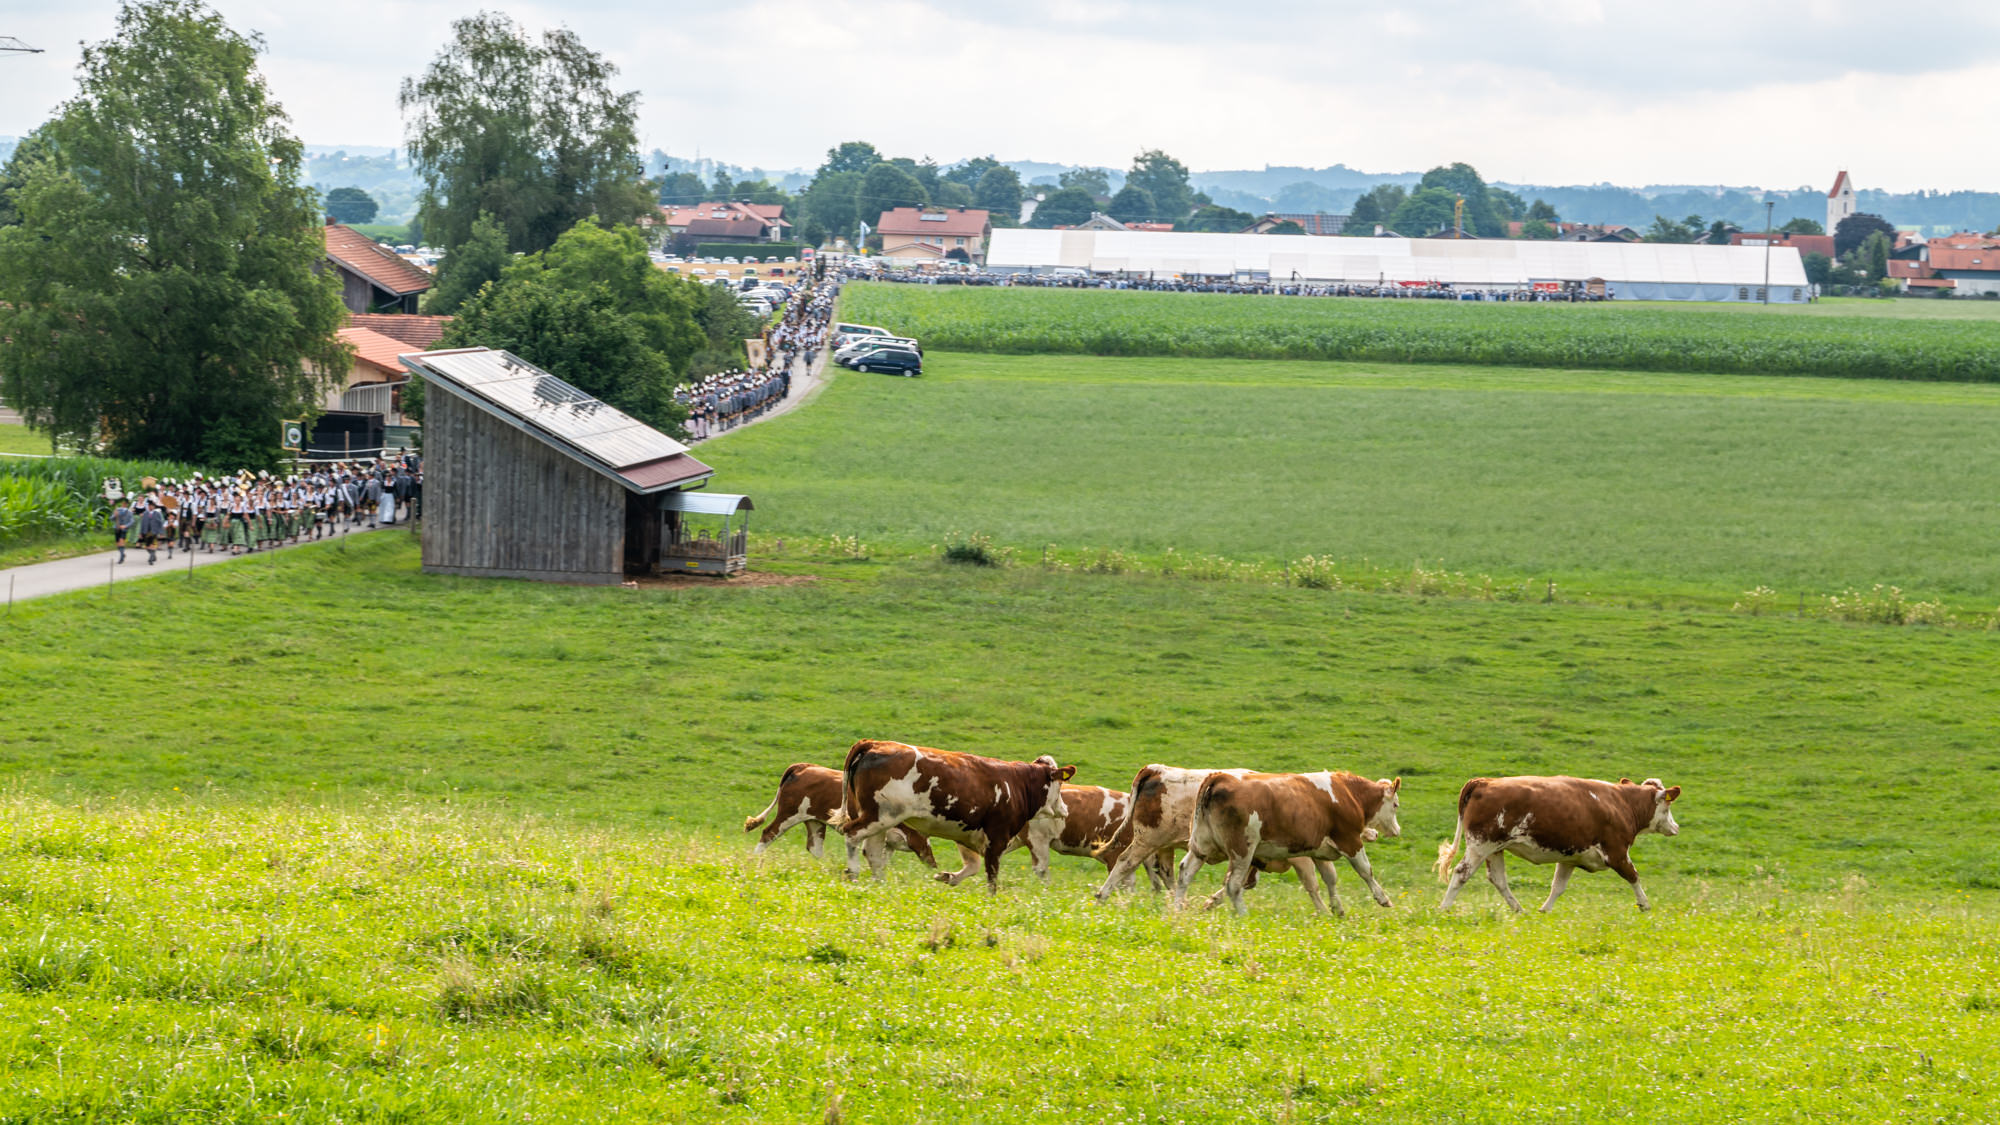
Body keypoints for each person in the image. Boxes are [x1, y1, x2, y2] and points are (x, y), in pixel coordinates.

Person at [137, 499, 166, 565]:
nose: (151, 507)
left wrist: (161, 533)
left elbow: (160, 523)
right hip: (146, 532)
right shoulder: (145, 514)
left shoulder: (157, 514)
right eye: (149, 506)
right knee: (147, 547)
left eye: (152, 506)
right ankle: (153, 555)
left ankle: (150, 559)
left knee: (152, 545)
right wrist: (140, 533)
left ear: (154, 507)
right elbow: (142, 523)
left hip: (154, 532)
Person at [111, 498, 134, 564]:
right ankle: (122, 554)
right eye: (123, 503)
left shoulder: (129, 512)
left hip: (123, 530)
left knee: (121, 542)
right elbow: (111, 518)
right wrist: (115, 515)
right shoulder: (117, 510)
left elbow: (132, 521)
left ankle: (121, 558)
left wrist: (125, 526)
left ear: (127, 504)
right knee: (118, 545)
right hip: (117, 528)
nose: (124, 504)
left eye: (125, 503)